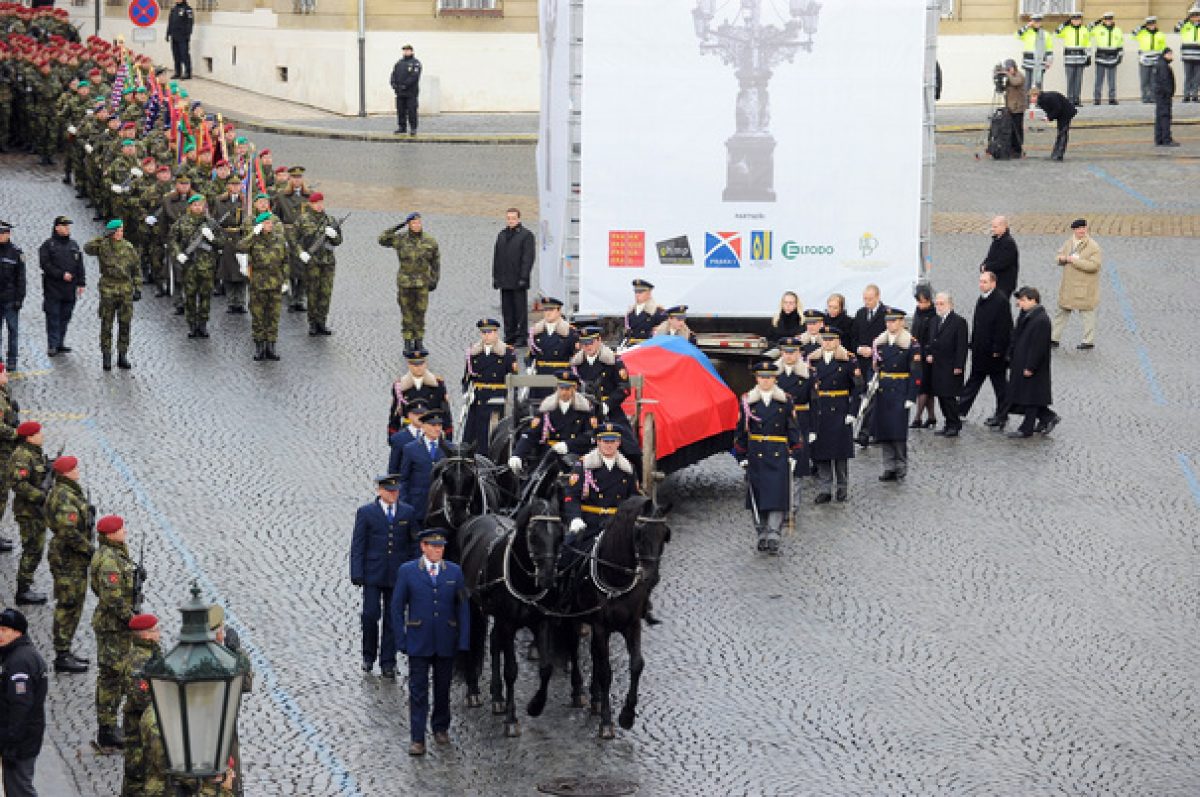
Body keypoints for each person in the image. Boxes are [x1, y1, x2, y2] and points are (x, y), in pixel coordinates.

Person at [390, 528, 469, 756]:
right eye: (434, 546)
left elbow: (462, 608)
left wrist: (463, 640)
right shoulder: (408, 571)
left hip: (445, 640)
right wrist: (401, 639)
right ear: (423, 547)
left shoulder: (454, 572)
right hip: (419, 640)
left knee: (443, 688)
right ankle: (417, 738)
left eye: (441, 547)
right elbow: (397, 607)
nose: (438, 550)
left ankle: (440, 727)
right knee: (418, 691)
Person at [351, 475, 417, 679]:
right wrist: (356, 572)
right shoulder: (366, 513)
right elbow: (358, 545)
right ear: (380, 491)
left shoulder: (408, 512)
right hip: (373, 573)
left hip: (397, 574)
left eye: (396, 491)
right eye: (389, 491)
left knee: (392, 617)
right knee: (370, 615)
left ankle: (388, 661)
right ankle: (368, 655)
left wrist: (414, 571)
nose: (393, 494)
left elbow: (414, 544)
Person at [733, 359, 801, 553]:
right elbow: (741, 431)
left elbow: (792, 428)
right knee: (758, 495)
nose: (765, 381)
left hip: (778, 452)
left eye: (769, 377)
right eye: (761, 377)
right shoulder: (747, 401)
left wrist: (795, 452)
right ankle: (761, 532)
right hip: (756, 453)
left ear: (775, 379)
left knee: (776, 495)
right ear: (756, 379)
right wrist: (741, 455)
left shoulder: (785, 400)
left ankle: (773, 534)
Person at [89, 514, 136, 750]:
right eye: (120, 529)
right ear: (110, 534)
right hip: (113, 627)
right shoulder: (109, 561)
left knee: (114, 677)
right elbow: (112, 598)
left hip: (116, 626)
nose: (124, 532)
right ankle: (106, 729)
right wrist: (133, 620)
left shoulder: (114, 554)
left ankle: (109, 725)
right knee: (111, 677)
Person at [43, 454, 91, 673]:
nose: (77, 471)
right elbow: (68, 532)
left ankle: (66, 650)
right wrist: (90, 550)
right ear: (67, 473)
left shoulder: (66, 492)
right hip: (68, 558)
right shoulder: (64, 497)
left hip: (70, 557)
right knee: (68, 604)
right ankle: (62, 654)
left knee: (72, 604)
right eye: (75, 468)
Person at [806, 327, 862, 503]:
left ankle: (842, 487)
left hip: (840, 408)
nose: (828, 343)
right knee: (821, 452)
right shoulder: (813, 360)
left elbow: (858, 387)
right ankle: (825, 489)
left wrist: (853, 411)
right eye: (825, 339)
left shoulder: (848, 359)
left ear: (838, 341)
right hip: (820, 408)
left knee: (840, 452)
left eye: (831, 339)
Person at [561, 422, 640, 545]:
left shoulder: (628, 469)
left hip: (617, 524)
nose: (609, 445)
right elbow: (571, 496)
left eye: (613, 441)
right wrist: (575, 518)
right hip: (589, 523)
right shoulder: (583, 465)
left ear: (619, 443)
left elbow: (633, 498)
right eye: (605, 441)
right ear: (598, 442)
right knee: (566, 555)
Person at [0, 607, 48, 797]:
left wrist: (11, 742)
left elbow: (21, 706)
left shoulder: (20, 661)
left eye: (4, 630)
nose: (0, 634)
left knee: (19, 789)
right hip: (22, 737)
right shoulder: (16, 654)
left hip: (20, 740)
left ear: (18, 632)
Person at [509, 371, 597, 475]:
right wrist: (517, 455)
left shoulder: (584, 411)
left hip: (574, 456)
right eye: (561, 388)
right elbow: (531, 434)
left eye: (568, 389)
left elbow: (591, 436)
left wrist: (568, 445)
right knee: (531, 485)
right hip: (548, 456)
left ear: (575, 389)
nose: (564, 392)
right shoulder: (547, 409)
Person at [957, 272, 1014, 428]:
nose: (981, 284)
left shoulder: (1000, 301)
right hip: (980, 350)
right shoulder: (982, 299)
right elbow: (978, 324)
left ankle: (1002, 415)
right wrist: (973, 342)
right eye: (980, 281)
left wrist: (998, 349)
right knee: (974, 381)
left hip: (994, 353)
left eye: (985, 282)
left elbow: (1003, 327)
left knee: (1000, 386)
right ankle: (960, 410)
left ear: (993, 283)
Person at [872, 310, 921, 482]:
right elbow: (878, 367)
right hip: (884, 387)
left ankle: (901, 466)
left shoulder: (910, 343)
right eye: (888, 321)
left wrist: (911, 396)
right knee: (884, 429)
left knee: (898, 431)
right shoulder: (881, 342)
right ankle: (888, 466)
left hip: (900, 388)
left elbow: (916, 372)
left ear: (901, 322)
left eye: (893, 321)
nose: (890, 324)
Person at [379, 212, 439, 353]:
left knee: (420, 312)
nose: (417, 225)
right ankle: (407, 342)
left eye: (419, 222)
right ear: (409, 225)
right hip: (405, 283)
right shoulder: (400, 239)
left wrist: (434, 279)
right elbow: (382, 239)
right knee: (406, 313)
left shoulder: (430, 241)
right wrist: (399, 226)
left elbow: (436, 262)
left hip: (422, 283)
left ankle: (419, 342)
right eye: (413, 223)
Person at [1005, 287, 1060, 438]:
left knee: (1030, 397)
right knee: (1029, 395)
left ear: (1033, 300)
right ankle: (1047, 418)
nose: (1019, 303)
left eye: (1022, 300)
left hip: (1031, 366)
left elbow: (1038, 347)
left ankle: (1026, 428)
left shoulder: (1041, 320)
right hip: (1021, 362)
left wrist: (1031, 366)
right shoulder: (1026, 315)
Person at [84, 219, 139, 371]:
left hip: (125, 288)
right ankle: (106, 355)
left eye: (121, 230)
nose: (120, 233)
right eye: (118, 231)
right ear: (111, 232)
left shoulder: (128, 247)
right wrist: (101, 238)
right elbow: (87, 248)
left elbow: (136, 268)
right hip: (108, 287)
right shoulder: (103, 246)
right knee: (106, 323)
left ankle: (122, 355)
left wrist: (138, 287)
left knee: (125, 323)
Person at [237, 211, 290, 362]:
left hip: (275, 283)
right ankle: (259, 346)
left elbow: (286, 261)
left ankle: (271, 346)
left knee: (273, 316)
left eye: (271, 222)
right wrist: (253, 234)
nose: (270, 225)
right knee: (258, 316)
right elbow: (240, 247)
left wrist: (285, 281)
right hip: (258, 283)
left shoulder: (279, 239)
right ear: (260, 224)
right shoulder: (254, 240)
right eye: (266, 223)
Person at [460, 318, 518, 455]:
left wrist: (510, 401)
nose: (486, 335)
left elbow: (513, 381)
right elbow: (467, 377)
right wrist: (467, 393)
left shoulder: (507, 353)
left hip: (496, 399)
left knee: (493, 435)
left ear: (496, 333)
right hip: (478, 398)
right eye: (483, 332)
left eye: (489, 332)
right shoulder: (474, 353)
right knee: (471, 435)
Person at [119, 613, 161, 797]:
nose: (159, 633)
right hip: (138, 727)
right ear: (145, 635)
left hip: (145, 726)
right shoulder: (138, 661)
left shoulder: (151, 654)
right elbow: (140, 698)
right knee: (136, 776)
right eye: (155, 630)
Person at [8, 421, 49, 606]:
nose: (42, 436)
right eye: (39, 433)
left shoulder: (33, 453)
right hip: (28, 511)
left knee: (35, 549)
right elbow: (18, 484)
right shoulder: (22, 457)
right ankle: (22, 591)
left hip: (35, 511)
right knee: (32, 548)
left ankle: (25, 586)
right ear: (29, 437)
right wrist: (40, 496)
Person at [38, 215, 85, 358]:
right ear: (57, 227)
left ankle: (60, 342)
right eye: (64, 226)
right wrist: (61, 274)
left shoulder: (74, 245)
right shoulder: (48, 245)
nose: (67, 229)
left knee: (65, 316)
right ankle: (52, 344)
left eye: (68, 226)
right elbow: (45, 265)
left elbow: (79, 265)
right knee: (53, 316)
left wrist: (81, 282)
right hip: (53, 288)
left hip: (69, 290)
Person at [295, 191, 342, 336]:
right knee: (313, 293)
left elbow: (339, 241)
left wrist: (334, 236)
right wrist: (300, 252)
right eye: (316, 203)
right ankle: (312, 323)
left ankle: (322, 322)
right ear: (311, 204)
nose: (319, 206)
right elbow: (293, 240)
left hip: (328, 262)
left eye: (321, 203)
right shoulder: (303, 220)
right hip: (312, 262)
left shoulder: (330, 220)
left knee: (325, 293)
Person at [1051, 218, 1102, 349]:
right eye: (1079, 229)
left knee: (1087, 313)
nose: (1081, 231)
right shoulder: (1069, 242)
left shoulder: (1093, 246)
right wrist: (1061, 259)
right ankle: (1053, 338)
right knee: (1062, 311)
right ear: (1074, 230)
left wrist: (1074, 261)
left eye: (1083, 228)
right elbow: (1059, 256)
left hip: (1084, 286)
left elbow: (1095, 266)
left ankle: (1088, 341)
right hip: (1069, 285)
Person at [926, 292, 968, 438]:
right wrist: (929, 354)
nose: (938, 306)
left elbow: (962, 346)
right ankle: (948, 422)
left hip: (951, 366)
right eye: (936, 303)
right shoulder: (934, 321)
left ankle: (954, 423)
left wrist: (959, 365)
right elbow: (931, 341)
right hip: (937, 365)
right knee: (941, 396)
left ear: (950, 304)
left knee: (949, 397)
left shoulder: (958, 322)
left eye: (941, 303)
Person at [386, 348, 452, 442]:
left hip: (431, 433)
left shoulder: (437, 385)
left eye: (421, 364)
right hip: (408, 432)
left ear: (426, 364)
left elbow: (446, 414)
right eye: (414, 365)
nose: (418, 367)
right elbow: (395, 415)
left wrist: (448, 439)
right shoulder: (400, 386)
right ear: (409, 365)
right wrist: (392, 438)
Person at [493, 208, 536, 348]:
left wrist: (524, 277)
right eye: (508, 218)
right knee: (507, 310)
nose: (510, 221)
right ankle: (509, 334)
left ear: (518, 219)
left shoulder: (526, 235)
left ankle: (522, 336)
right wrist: (495, 277)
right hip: (504, 280)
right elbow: (497, 258)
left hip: (518, 280)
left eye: (513, 218)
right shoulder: (501, 235)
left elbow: (528, 258)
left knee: (520, 310)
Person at [526, 296, 577, 403]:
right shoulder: (536, 331)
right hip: (540, 377)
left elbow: (576, 356)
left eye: (551, 310)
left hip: (561, 377)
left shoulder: (569, 332)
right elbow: (531, 354)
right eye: (545, 310)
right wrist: (529, 367)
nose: (547, 313)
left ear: (559, 311)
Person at [397, 411, 445, 521]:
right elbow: (404, 478)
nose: (437, 429)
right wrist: (404, 504)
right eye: (433, 425)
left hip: (441, 505)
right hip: (417, 504)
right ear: (423, 426)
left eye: (439, 425)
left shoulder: (448, 448)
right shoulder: (410, 449)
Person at [0, 220, 25, 371]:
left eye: (5, 233)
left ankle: (12, 360)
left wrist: (19, 299)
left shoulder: (16, 253)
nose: (3, 235)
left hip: (10, 299)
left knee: (13, 330)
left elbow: (21, 278)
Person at [1030, 87, 1076, 161]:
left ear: (1036, 95)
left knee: (1062, 133)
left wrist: (1049, 117)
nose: (1031, 99)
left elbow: (1057, 108)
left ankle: (1059, 154)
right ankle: (1055, 153)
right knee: (1060, 133)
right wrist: (1048, 117)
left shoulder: (1047, 98)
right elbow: (1051, 110)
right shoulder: (1041, 101)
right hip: (1061, 113)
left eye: (1032, 97)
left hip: (1066, 112)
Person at [1056, 12, 1091, 106]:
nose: (1076, 21)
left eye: (1078, 19)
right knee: (1070, 79)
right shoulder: (1066, 29)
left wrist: (1089, 56)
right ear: (1071, 20)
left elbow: (1088, 43)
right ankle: (1070, 99)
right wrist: (1064, 24)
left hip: (1081, 58)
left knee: (1078, 80)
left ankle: (1076, 99)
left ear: (1080, 20)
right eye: (1074, 19)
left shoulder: (1085, 29)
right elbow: (1056, 32)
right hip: (1069, 59)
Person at [980, 215, 1020, 300]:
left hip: (1004, 283)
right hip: (995, 282)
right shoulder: (997, 240)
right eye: (992, 226)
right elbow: (990, 257)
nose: (992, 229)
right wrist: (983, 265)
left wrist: (986, 267)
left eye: (995, 227)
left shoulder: (1008, 243)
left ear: (1003, 227)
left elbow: (1002, 263)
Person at [1090, 12, 1124, 105]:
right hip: (1101, 56)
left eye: (1110, 19)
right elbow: (1088, 28)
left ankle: (1112, 98)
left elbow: (1120, 44)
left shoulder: (1118, 30)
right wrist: (1098, 21)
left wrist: (1120, 56)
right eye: (1106, 19)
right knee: (1099, 79)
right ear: (1104, 20)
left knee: (1112, 79)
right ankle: (1097, 98)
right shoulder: (1097, 29)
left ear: (1112, 20)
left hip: (1113, 56)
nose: (1108, 21)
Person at [390, 44, 422, 136]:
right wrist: (393, 84)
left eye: (408, 50)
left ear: (412, 51)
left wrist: (404, 85)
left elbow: (414, 77)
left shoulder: (415, 63)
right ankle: (402, 127)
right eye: (404, 50)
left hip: (411, 92)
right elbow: (393, 74)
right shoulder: (399, 63)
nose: (406, 52)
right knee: (400, 110)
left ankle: (413, 128)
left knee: (412, 111)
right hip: (400, 92)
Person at [623, 279, 667, 347]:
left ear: (649, 293)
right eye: (636, 291)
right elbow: (628, 334)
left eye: (640, 292)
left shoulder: (657, 311)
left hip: (649, 348)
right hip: (632, 348)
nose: (637, 294)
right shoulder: (630, 312)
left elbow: (664, 334)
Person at [1134, 16, 1167, 103]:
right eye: (1149, 24)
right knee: (1144, 79)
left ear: (1155, 24)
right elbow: (1133, 34)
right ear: (1147, 25)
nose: (1152, 26)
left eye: (1153, 24)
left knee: (1154, 80)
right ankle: (1145, 97)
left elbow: (1163, 47)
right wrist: (1141, 27)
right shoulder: (1142, 33)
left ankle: (1153, 97)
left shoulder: (1160, 34)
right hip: (1144, 59)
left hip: (1156, 59)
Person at [1017, 13, 1054, 89]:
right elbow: (1017, 35)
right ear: (1032, 22)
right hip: (1028, 62)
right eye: (1034, 21)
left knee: (1038, 84)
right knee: (1028, 84)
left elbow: (1049, 48)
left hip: (1040, 62)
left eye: (1038, 21)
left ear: (1041, 22)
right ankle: (1027, 101)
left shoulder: (1045, 34)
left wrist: (1049, 61)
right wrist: (1027, 26)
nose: (1037, 23)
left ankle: (1039, 101)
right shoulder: (1027, 32)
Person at [1153, 48, 1178, 146]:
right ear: (1165, 54)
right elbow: (1165, 81)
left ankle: (1159, 138)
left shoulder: (1160, 64)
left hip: (1160, 95)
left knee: (1160, 117)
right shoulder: (1163, 66)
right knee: (1165, 117)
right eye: (1170, 55)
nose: (1171, 57)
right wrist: (1169, 93)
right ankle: (1166, 139)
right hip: (1164, 95)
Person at [1002, 59, 1027, 156]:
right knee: (1010, 129)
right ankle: (1010, 147)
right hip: (1010, 107)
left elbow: (1015, 82)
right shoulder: (1009, 77)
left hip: (1018, 107)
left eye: (1009, 69)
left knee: (1017, 128)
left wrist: (1007, 74)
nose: (1008, 71)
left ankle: (1017, 149)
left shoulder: (1019, 75)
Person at [166, 0, 194, 80]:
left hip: (183, 36)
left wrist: (187, 34)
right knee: (176, 55)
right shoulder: (173, 9)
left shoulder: (188, 9)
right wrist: (168, 34)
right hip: (174, 36)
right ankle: (178, 72)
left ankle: (187, 73)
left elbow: (190, 22)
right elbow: (170, 22)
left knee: (184, 55)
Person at [1178, 6, 1200, 103]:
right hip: (1187, 55)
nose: (1195, 18)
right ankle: (1186, 95)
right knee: (1188, 76)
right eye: (1193, 16)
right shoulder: (1185, 25)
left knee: (1197, 77)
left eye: (1197, 16)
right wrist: (1186, 19)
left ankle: (1195, 95)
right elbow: (1176, 29)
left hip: (1199, 55)